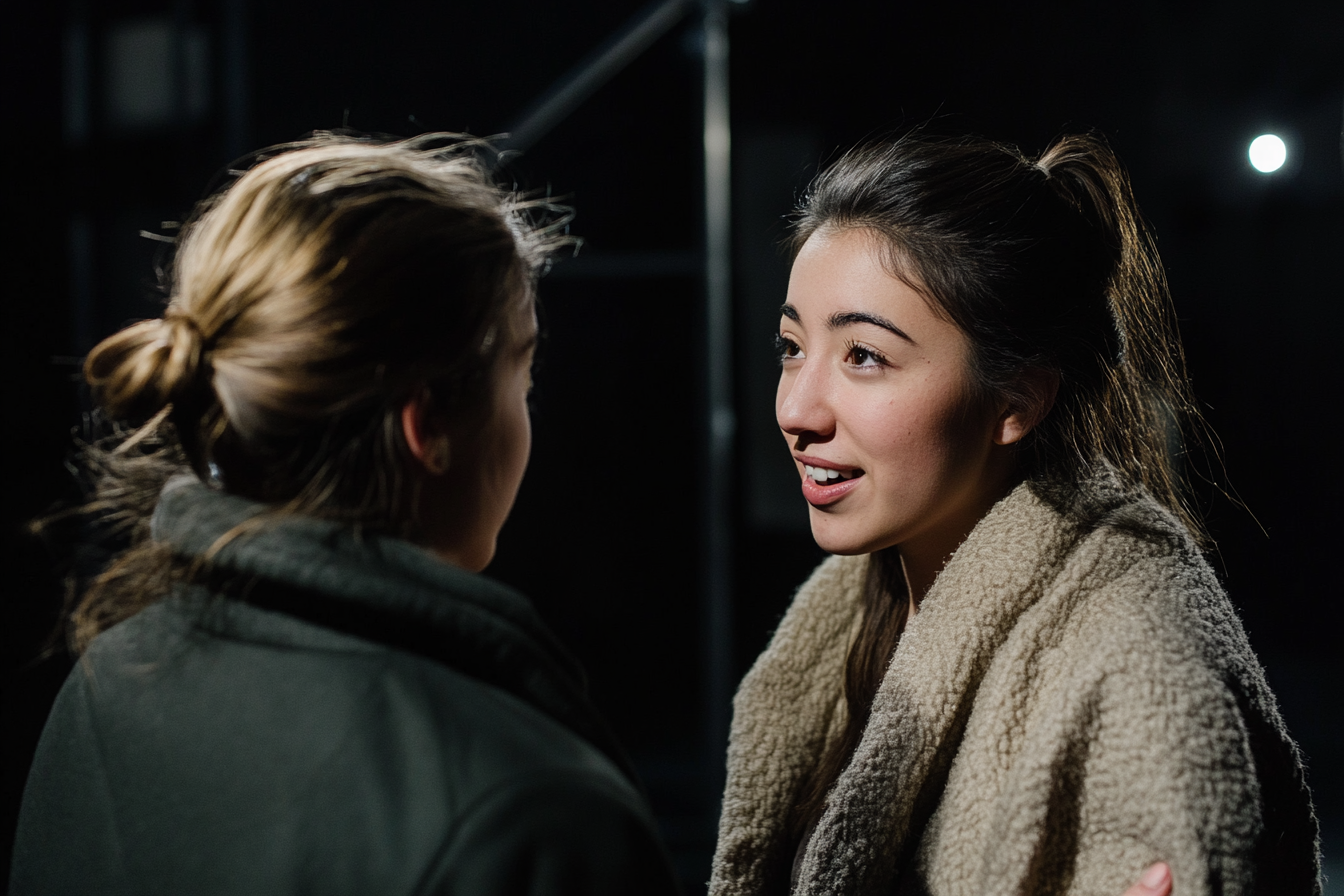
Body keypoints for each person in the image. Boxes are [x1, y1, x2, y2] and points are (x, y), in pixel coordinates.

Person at [10, 134, 681, 895]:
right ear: (425, 425)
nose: (530, 411)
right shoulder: (532, 814)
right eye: (520, 374)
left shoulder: (109, 682)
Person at [709, 133, 1322, 896]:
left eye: (864, 355)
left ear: (1017, 402)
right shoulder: (855, 617)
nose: (796, 409)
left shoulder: (1137, 665)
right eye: (791, 345)